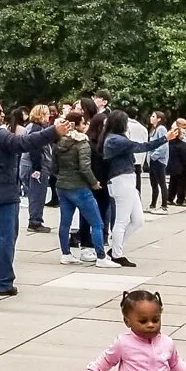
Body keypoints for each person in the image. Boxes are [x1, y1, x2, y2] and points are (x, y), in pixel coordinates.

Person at [0, 101, 72, 293]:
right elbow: (23, 143)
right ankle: (4, 283)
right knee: (5, 238)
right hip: (3, 193)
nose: (3, 115)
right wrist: (53, 131)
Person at [100, 110, 173, 269]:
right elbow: (141, 146)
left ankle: (116, 250)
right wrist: (165, 138)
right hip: (121, 180)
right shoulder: (114, 140)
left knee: (138, 220)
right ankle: (117, 254)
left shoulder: (115, 138)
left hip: (126, 179)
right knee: (122, 220)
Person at [54, 111, 115, 266]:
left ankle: (66, 253)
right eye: (83, 123)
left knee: (65, 223)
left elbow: (53, 165)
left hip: (62, 185)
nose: (85, 126)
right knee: (97, 223)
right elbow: (85, 167)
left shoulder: (59, 141)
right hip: (79, 187)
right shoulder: (82, 143)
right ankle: (101, 257)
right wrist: (94, 183)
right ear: (77, 125)